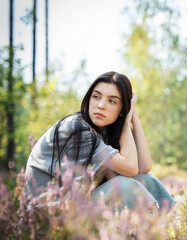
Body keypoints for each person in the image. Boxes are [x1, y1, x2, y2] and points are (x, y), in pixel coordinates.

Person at [25, 71, 175, 211]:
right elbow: (130, 167)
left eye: (112, 101)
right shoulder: (77, 129)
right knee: (125, 185)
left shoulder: (103, 132)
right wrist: (125, 124)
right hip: (48, 212)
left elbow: (143, 167)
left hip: (76, 206)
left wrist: (133, 116)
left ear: (123, 109)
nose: (101, 105)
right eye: (96, 96)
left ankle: (163, 229)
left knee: (146, 180)